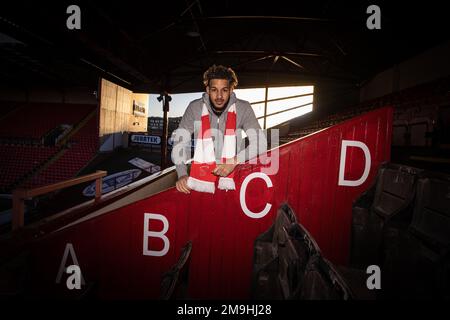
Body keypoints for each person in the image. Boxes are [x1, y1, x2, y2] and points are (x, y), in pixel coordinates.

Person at [171, 64, 267, 194]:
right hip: (200, 177)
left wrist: (234, 162)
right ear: (208, 90)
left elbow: (261, 142)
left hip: (233, 176)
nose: (219, 96)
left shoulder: (244, 108)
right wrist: (182, 173)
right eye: (214, 90)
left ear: (231, 90)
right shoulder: (194, 108)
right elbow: (180, 141)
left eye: (225, 90)